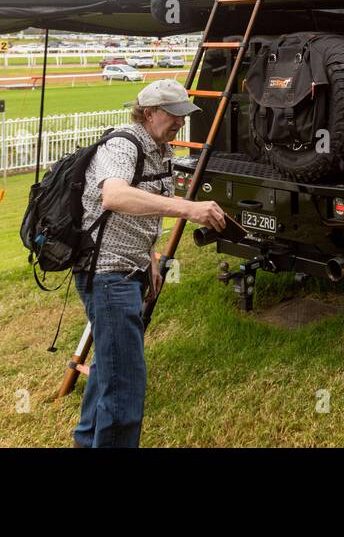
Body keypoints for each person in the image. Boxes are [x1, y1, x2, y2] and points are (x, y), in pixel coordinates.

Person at [72, 79, 229, 448]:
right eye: (173, 115)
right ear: (149, 113)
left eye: (183, 115)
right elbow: (114, 195)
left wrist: (151, 259)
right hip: (108, 275)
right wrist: (188, 209)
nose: (180, 122)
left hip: (130, 269)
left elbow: (143, 213)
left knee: (110, 367)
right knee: (125, 380)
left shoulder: (159, 148)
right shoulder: (122, 145)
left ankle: (85, 440)